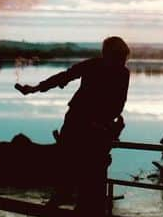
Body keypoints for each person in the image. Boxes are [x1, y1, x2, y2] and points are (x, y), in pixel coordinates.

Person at [15, 36, 130, 206]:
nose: (118, 61)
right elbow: (65, 76)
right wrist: (36, 88)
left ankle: (76, 199)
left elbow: (119, 103)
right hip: (79, 119)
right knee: (68, 157)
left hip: (92, 125)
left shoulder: (119, 72)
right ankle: (66, 194)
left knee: (81, 163)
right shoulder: (97, 66)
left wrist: (103, 122)